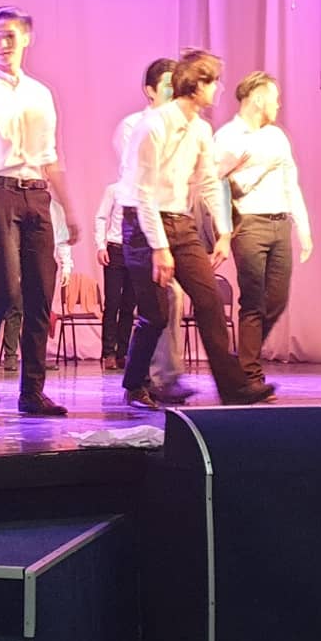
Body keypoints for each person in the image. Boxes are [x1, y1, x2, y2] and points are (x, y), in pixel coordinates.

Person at [119, 48, 267, 409]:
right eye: (213, 82)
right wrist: (159, 247)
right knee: (155, 314)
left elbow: (209, 182)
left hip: (179, 222)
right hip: (143, 224)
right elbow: (143, 193)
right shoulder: (153, 126)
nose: (218, 89)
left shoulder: (201, 128)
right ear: (197, 84)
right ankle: (134, 384)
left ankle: (233, 387)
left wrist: (224, 231)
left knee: (209, 300)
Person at [0, 6, 80, 418]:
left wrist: (69, 210)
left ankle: (33, 392)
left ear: (27, 38)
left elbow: (50, 156)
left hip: (36, 195)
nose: (3, 44)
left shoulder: (40, 93)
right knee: (5, 290)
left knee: (41, 294)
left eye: (10, 35)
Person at [213, 72, 312, 388]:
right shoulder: (227, 137)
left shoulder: (277, 137)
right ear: (258, 98)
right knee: (253, 300)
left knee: (277, 300)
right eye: (275, 98)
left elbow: (291, 183)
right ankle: (250, 375)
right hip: (249, 223)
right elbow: (220, 186)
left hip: (280, 223)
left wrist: (303, 228)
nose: (278, 105)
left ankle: (244, 357)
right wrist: (259, 169)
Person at [114, 56, 190, 402]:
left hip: (171, 222)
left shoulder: (185, 127)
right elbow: (141, 181)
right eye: (168, 86)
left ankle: (156, 377)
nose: (175, 93)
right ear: (150, 91)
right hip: (141, 224)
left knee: (169, 300)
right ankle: (153, 378)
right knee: (159, 304)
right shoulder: (136, 126)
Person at [95, 179, 133, 371]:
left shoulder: (144, 191)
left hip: (135, 250)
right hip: (115, 249)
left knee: (129, 305)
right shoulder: (114, 190)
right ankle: (108, 352)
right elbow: (101, 217)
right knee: (112, 303)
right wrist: (101, 246)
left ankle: (122, 353)